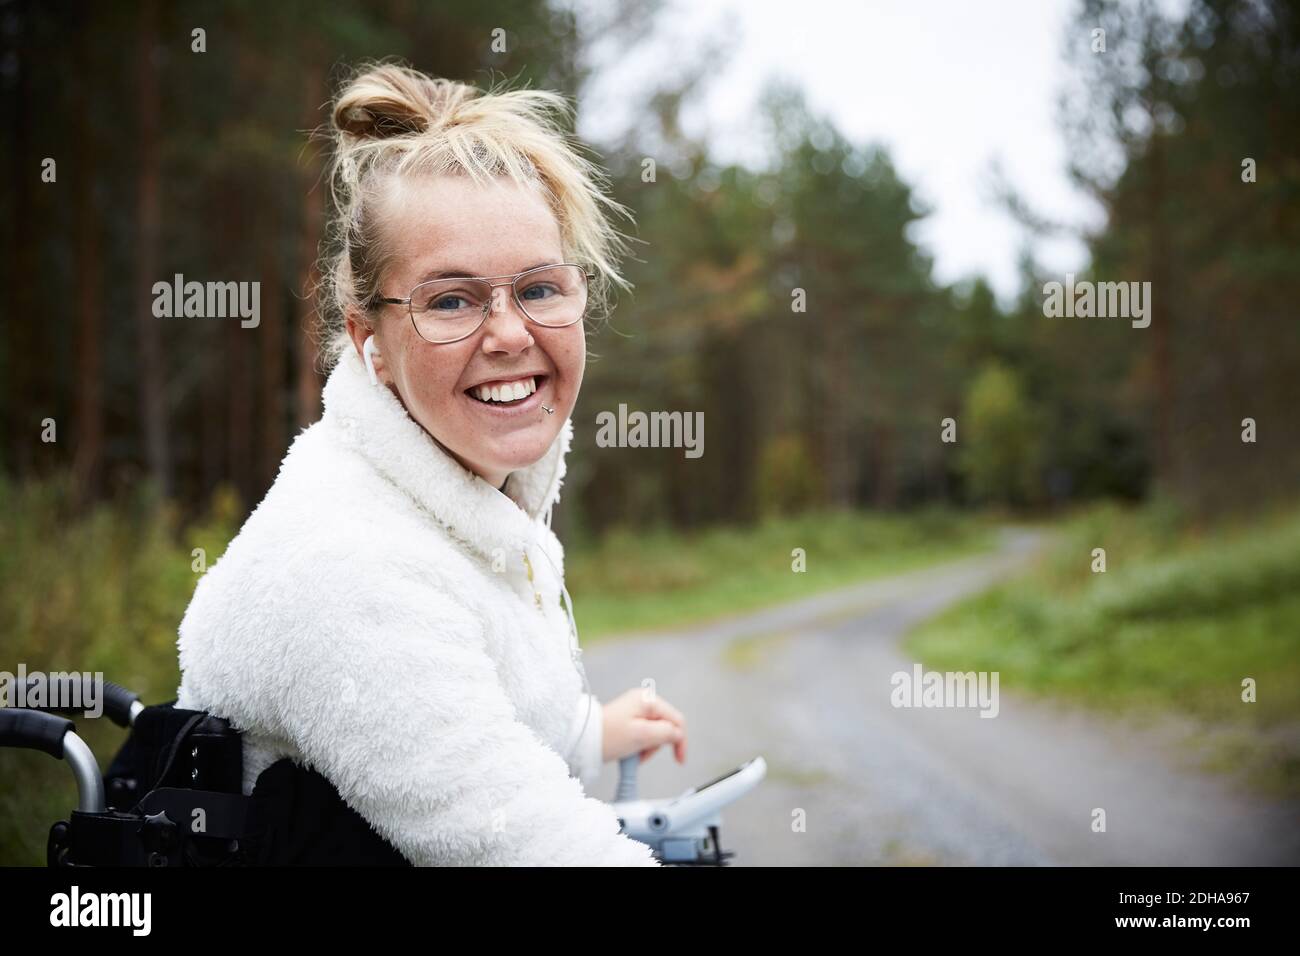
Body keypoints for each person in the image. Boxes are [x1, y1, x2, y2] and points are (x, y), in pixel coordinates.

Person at [174, 61, 687, 866]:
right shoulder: (348, 563)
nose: (511, 334)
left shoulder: (461, 497)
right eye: (451, 300)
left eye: (541, 289)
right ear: (369, 340)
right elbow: (523, 846)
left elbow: (460, 720)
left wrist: (591, 732)